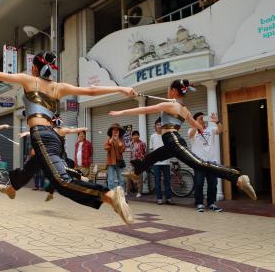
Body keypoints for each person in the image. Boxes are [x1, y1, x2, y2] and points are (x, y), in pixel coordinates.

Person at [0, 51, 137, 225]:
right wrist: (121, 89)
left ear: (35, 67)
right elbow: (90, 91)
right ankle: (12, 186)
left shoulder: (29, 80)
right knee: (34, 164)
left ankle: (109, 195)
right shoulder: (58, 87)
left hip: (42, 135)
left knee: (61, 182)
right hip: (51, 136)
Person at [109, 79, 256, 201]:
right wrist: (200, 127)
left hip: (173, 140)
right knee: (152, 157)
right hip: (172, 141)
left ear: (173, 91)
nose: (167, 92)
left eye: (168, 89)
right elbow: (196, 125)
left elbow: (144, 110)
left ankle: (237, 177)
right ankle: (137, 172)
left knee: (201, 164)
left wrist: (122, 111)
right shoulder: (184, 109)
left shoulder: (169, 105)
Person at [189, 112, 224, 212]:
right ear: (195, 120)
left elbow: (220, 130)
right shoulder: (192, 130)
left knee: (213, 184)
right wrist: (197, 125)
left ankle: (211, 203)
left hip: (212, 161)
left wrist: (217, 121)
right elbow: (190, 135)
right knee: (199, 183)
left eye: (203, 118)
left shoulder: (211, 129)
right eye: (200, 118)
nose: (202, 120)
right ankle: (199, 203)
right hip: (198, 162)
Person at [149, 117, 172, 205]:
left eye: (160, 124)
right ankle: (159, 198)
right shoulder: (152, 136)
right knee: (157, 181)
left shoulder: (167, 135)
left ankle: (169, 198)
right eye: (157, 124)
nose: (159, 126)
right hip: (156, 163)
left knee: (167, 181)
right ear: (155, 126)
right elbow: (151, 149)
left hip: (166, 162)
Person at [104, 123, 126, 191]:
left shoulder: (121, 140)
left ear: (119, 131)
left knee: (121, 180)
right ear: (111, 131)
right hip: (110, 162)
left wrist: (118, 141)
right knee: (110, 180)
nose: (115, 131)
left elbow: (122, 150)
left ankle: (120, 196)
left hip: (119, 162)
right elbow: (105, 148)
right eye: (113, 130)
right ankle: (112, 196)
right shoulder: (108, 139)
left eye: (117, 130)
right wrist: (111, 141)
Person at [125, 130, 146, 198]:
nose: (135, 136)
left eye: (137, 135)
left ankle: (139, 192)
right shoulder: (131, 143)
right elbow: (131, 153)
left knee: (139, 177)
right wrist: (130, 161)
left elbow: (144, 153)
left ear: (139, 136)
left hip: (139, 162)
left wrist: (141, 162)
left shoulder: (142, 143)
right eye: (134, 135)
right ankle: (127, 191)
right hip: (132, 162)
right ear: (132, 136)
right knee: (129, 176)